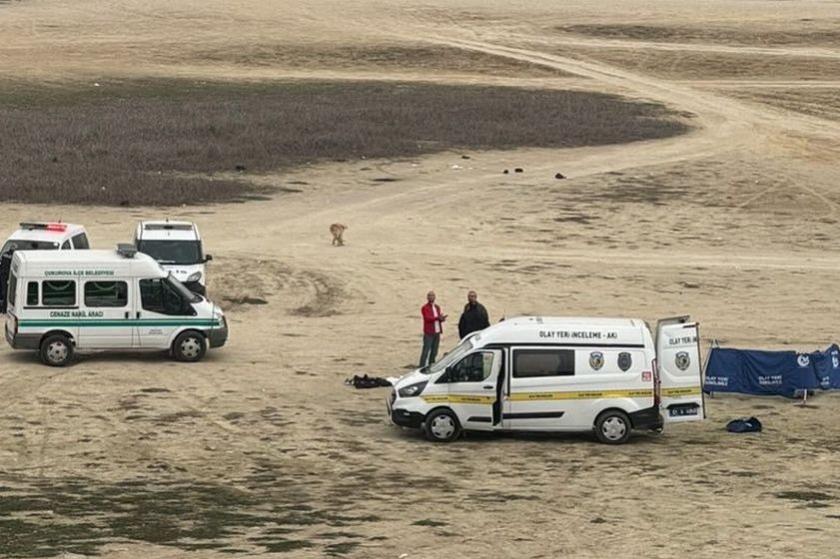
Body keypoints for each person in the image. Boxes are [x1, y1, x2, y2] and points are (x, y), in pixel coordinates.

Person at [420, 291, 447, 368]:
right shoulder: (425, 308)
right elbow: (427, 318)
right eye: (430, 296)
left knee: (434, 351)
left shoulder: (437, 307)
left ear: (435, 297)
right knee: (426, 351)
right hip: (429, 333)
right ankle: (421, 367)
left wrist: (441, 319)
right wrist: (437, 318)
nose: (431, 297)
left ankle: (431, 366)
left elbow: (437, 319)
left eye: (432, 296)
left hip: (437, 332)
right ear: (427, 297)